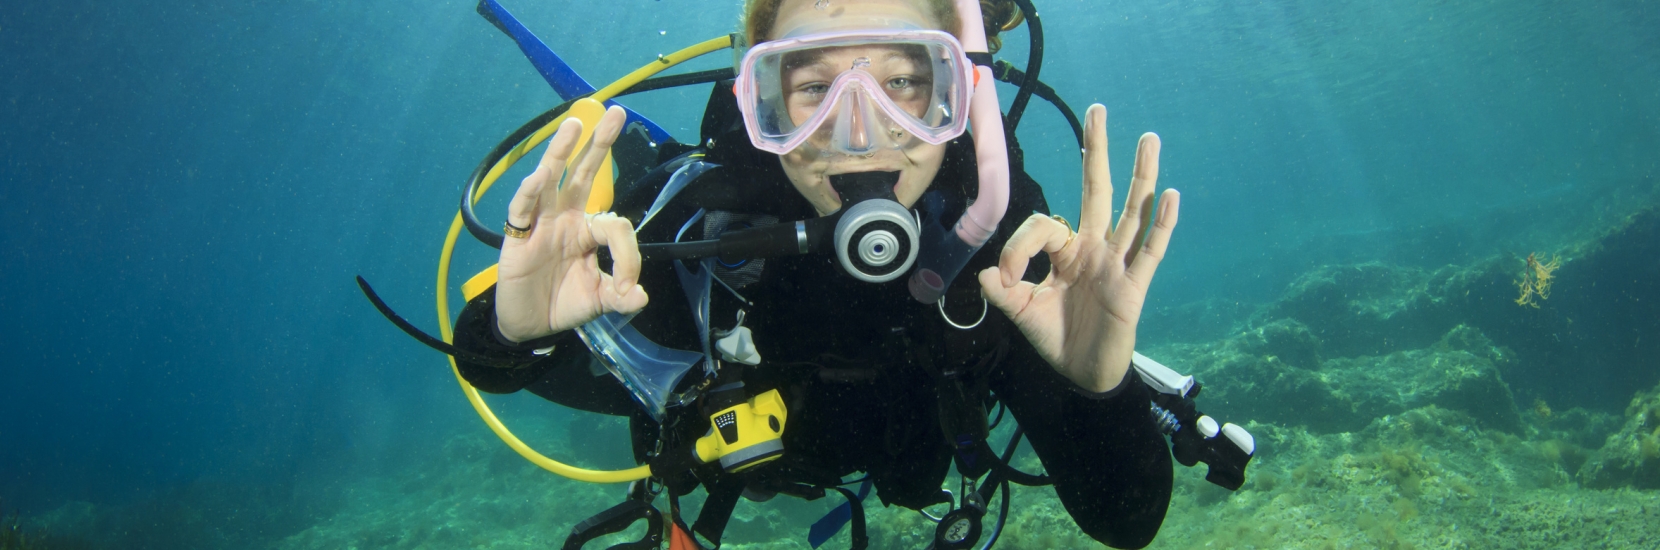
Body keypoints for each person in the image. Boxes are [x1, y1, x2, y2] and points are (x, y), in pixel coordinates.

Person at [449, 0, 1183, 547]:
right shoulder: (705, 233)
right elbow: (499, 365)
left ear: (958, 96)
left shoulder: (1002, 255)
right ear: (757, 102)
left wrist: (1099, 389)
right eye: (810, 89)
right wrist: (515, 328)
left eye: (902, 80)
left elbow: (1126, 520)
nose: (856, 132)